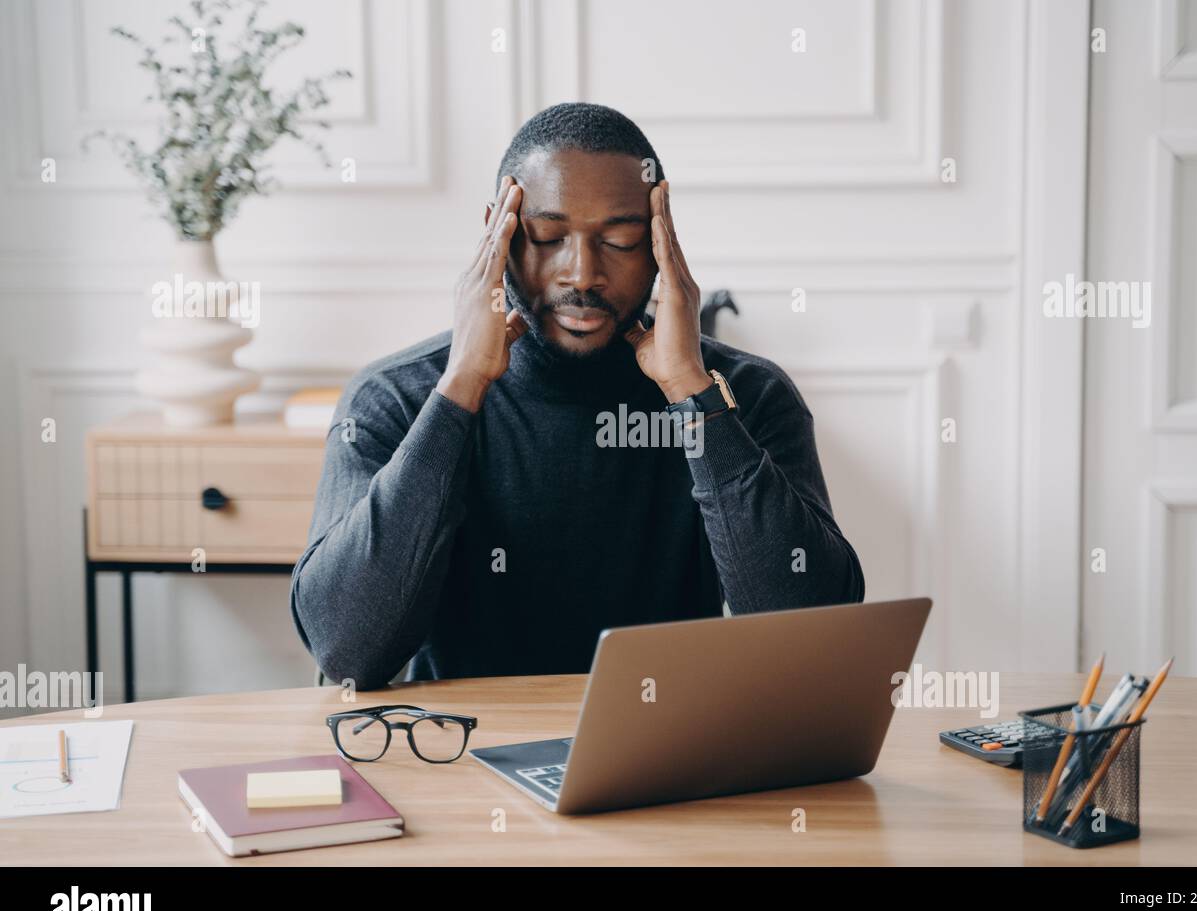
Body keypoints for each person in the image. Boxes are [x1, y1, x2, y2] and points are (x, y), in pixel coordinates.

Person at [291, 102, 865, 689]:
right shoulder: (396, 397)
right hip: (454, 755)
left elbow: (807, 643)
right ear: (500, 234)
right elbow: (346, 650)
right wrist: (460, 388)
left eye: (619, 240)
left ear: (662, 245)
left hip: (663, 755)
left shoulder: (745, 395)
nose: (582, 273)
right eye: (547, 236)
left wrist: (694, 397)